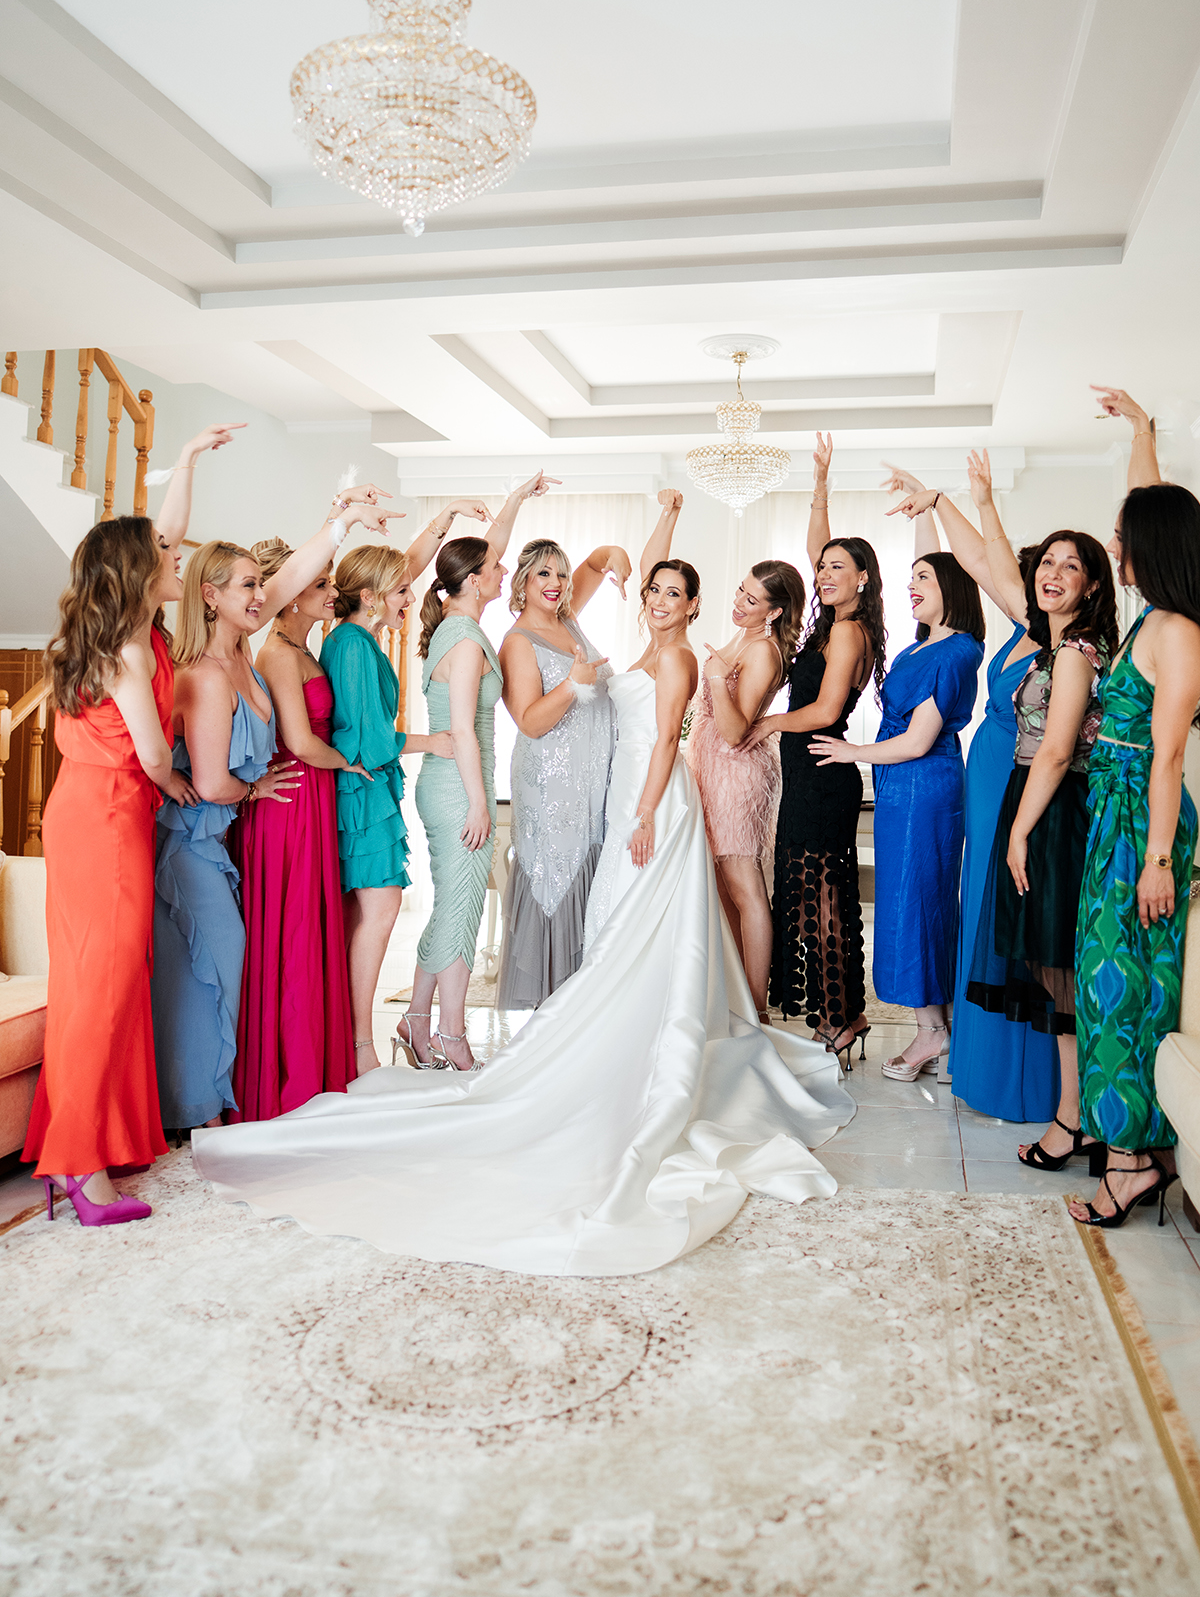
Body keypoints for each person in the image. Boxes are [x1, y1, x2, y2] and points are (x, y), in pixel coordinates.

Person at [193, 564, 854, 1277]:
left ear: (693, 606)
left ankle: (653, 1038)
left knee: (646, 923)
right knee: (616, 923)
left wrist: (643, 815)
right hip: (624, 796)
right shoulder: (640, 648)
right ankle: (609, 1026)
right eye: (654, 590)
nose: (660, 602)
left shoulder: (682, 658)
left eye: (674, 594)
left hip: (652, 803)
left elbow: (667, 739)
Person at [24, 422, 239, 1224]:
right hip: (109, 817)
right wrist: (177, 779)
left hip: (89, 810)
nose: (179, 558)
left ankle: (79, 1147)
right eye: (167, 557)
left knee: (97, 983)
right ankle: (80, 1168)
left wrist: (185, 460)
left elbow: (168, 529)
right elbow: (151, 754)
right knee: (103, 990)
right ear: (140, 573)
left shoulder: (125, 630)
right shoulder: (134, 649)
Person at [153, 490, 391, 1133]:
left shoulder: (242, 647)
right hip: (200, 836)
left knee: (226, 965)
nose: (263, 594)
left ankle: (217, 1100)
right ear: (211, 596)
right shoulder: (207, 668)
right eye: (250, 586)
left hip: (231, 836)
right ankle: (205, 1105)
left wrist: (342, 521)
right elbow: (210, 781)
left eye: (263, 585)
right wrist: (254, 790)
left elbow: (294, 576)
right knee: (220, 964)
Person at [1069, 389, 1200, 1228]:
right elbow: (1149, 505)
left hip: (1143, 821)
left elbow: (1166, 755)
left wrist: (1158, 860)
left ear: (1152, 549)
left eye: (1122, 537)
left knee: (1123, 990)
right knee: (1107, 982)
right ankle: (1139, 1150)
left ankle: (1129, 1164)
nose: (1112, 545)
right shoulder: (1156, 616)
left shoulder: (1178, 633)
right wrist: (1140, 432)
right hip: (1116, 814)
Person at [953, 453, 1119, 1169]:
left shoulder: (1077, 652)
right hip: (1037, 808)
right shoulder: (1054, 643)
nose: (1052, 573)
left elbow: (1054, 752)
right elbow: (993, 559)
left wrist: (1018, 831)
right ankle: (1077, 1117)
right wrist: (982, 501)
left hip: (1052, 813)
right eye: (1046, 562)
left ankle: (1074, 1119)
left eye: (1070, 566)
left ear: (1091, 586)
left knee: (1060, 971)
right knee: (1052, 972)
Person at [881, 463, 1058, 1121]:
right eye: (1035, 574)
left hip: (1011, 777)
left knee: (998, 905)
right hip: (985, 778)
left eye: (1051, 574)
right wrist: (937, 505)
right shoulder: (1021, 628)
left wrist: (966, 501)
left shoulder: (1053, 636)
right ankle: (974, 1054)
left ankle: (1010, 1068)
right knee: (976, 902)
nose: (1030, 584)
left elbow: (983, 566)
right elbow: (974, 566)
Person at [812, 552, 984, 1077]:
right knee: (907, 902)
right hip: (901, 788)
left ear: (950, 586)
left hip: (922, 787)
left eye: (923, 578)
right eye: (910, 578)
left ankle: (932, 1032)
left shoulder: (956, 651)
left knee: (917, 905)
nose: (911, 586)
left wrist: (851, 751)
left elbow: (916, 741)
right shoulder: (922, 645)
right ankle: (936, 1026)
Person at [754, 435, 886, 1063]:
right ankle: (843, 1013)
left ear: (864, 578)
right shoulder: (833, 622)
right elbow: (817, 548)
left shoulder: (850, 632)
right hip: (809, 778)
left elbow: (828, 711)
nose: (826, 574)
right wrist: (820, 483)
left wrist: (768, 724)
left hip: (823, 778)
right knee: (813, 901)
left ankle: (841, 1018)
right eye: (823, 568)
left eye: (839, 568)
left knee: (824, 902)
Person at [234, 540, 368, 1121]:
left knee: (313, 925)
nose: (331, 593)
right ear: (290, 597)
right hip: (290, 803)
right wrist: (350, 763)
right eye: (320, 585)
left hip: (311, 799)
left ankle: (316, 1067)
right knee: (292, 934)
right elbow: (301, 741)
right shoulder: (278, 654)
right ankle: (290, 1078)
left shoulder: (301, 646)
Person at [320, 542, 459, 1073]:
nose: (411, 598)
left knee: (366, 913)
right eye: (402, 590)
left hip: (369, 790)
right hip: (363, 795)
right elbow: (371, 740)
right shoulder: (354, 644)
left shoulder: (359, 640)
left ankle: (352, 1043)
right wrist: (434, 742)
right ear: (371, 596)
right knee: (380, 910)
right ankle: (360, 1046)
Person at [494, 520, 635, 1010]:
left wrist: (615, 554)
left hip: (590, 781)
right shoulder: (518, 641)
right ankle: (553, 1010)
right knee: (559, 879)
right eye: (542, 574)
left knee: (591, 881)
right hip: (551, 785)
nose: (554, 582)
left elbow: (597, 562)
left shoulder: (567, 618)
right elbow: (529, 721)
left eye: (559, 573)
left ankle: (584, 1010)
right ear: (522, 583)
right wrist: (573, 685)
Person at [396, 536, 507, 1072]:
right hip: (459, 789)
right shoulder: (463, 641)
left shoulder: (454, 627)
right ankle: (451, 1032)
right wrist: (479, 803)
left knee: (450, 907)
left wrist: (515, 500)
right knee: (462, 910)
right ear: (474, 580)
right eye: (496, 566)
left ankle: (416, 1020)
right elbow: (463, 730)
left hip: (453, 783)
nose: (504, 571)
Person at [691, 557, 805, 1019]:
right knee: (723, 887)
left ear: (774, 612)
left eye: (751, 599)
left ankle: (756, 1008)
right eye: (741, 589)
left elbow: (736, 730)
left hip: (736, 775)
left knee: (745, 888)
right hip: (711, 770)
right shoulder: (744, 636)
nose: (738, 602)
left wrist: (717, 677)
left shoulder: (762, 651)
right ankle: (738, 996)